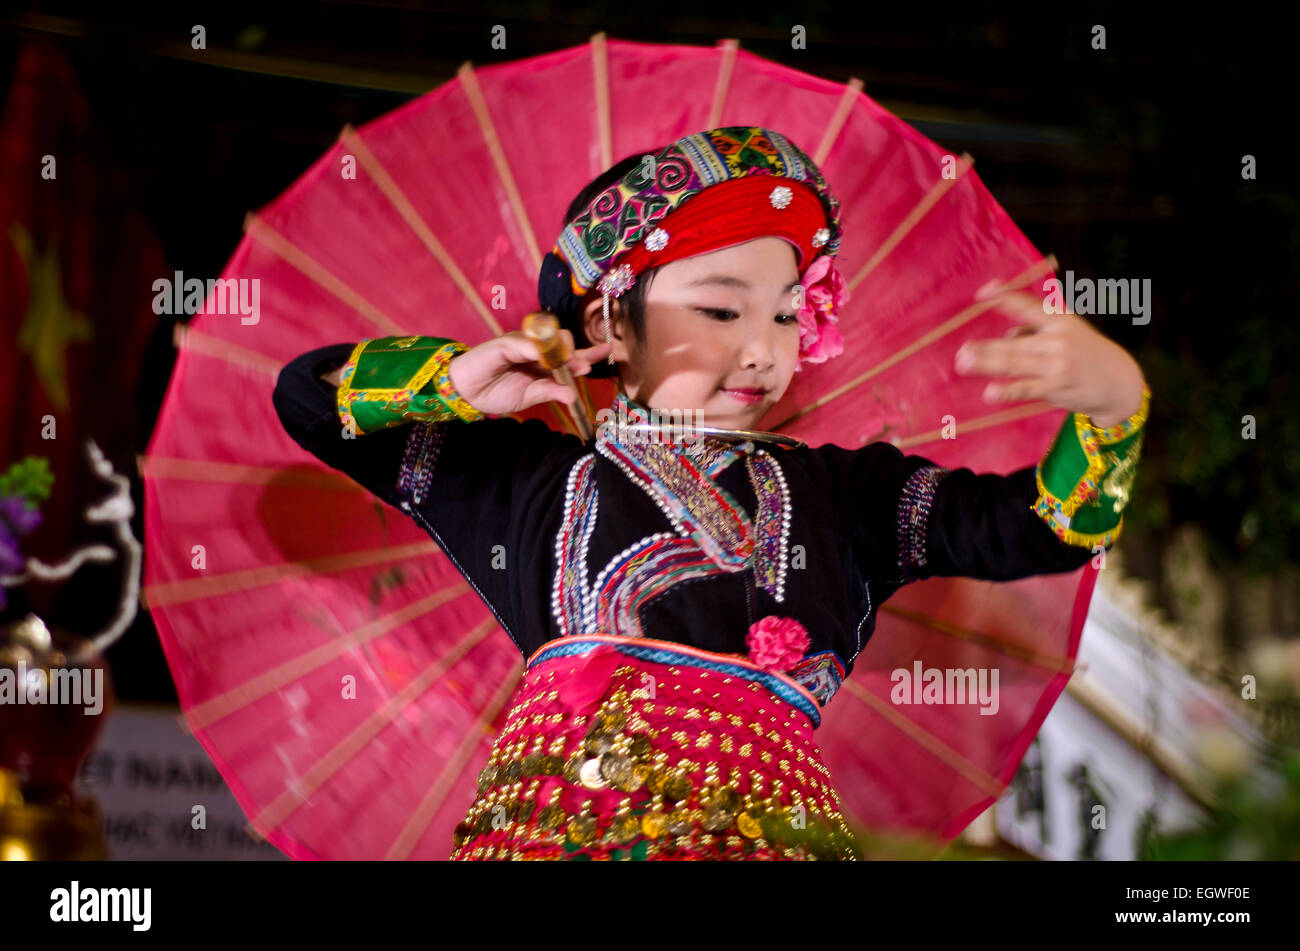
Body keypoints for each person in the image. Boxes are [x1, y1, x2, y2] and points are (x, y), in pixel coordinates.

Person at [272, 126, 1149, 860]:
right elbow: (307, 399)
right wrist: (456, 384)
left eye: (784, 313)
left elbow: (1041, 528)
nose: (763, 350)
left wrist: (1114, 411)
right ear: (610, 322)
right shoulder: (525, 482)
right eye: (724, 312)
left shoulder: (847, 496)